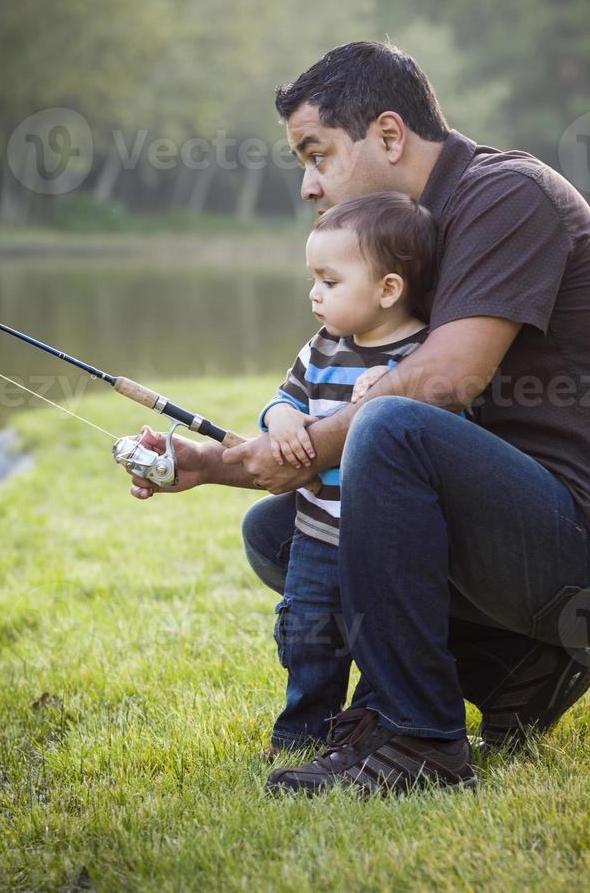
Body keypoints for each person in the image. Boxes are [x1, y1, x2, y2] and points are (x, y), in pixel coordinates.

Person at [129, 41, 590, 796]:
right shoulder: (411, 236)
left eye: (316, 153)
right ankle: (519, 669)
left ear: (389, 136)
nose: (307, 185)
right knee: (282, 534)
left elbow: (443, 382)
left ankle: (418, 738)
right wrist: (209, 465)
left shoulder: (507, 194)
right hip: (524, 536)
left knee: (389, 424)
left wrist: (292, 453)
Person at [259, 190, 437, 756]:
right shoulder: (321, 349)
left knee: (382, 636)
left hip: (383, 540)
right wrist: (283, 419)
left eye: (330, 282)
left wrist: (384, 395)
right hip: (316, 531)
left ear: (389, 289)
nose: (314, 293)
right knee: (310, 632)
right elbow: (283, 400)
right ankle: (299, 732)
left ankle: (364, 725)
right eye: (313, 278)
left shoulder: (424, 354)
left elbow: (440, 431)